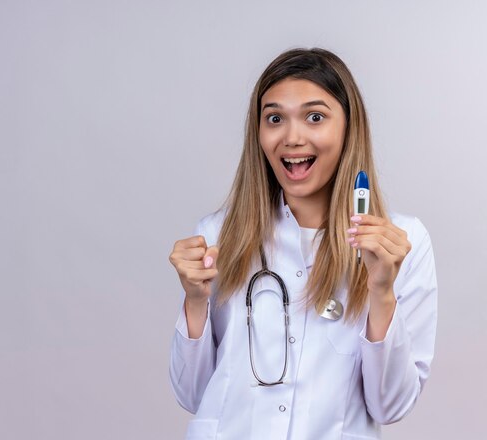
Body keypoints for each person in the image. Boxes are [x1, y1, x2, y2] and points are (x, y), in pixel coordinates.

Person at [168, 47, 437, 440]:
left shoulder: (402, 243)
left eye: (315, 117)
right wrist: (194, 301)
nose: (292, 138)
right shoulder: (217, 237)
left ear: (348, 127)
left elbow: (390, 405)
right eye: (275, 118)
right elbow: (193, 395)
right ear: (258, 133)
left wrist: (381, 291)